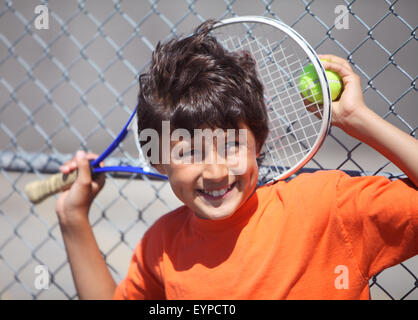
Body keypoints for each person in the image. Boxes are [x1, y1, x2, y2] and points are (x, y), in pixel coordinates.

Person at [55, 20, 418, 299]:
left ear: (258, 142)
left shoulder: (329, 207)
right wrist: (73, 219)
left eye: (231, 146)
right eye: (189, 152)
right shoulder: (160, 246)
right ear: (160, 161)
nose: (215, 171)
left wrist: (358, 119)